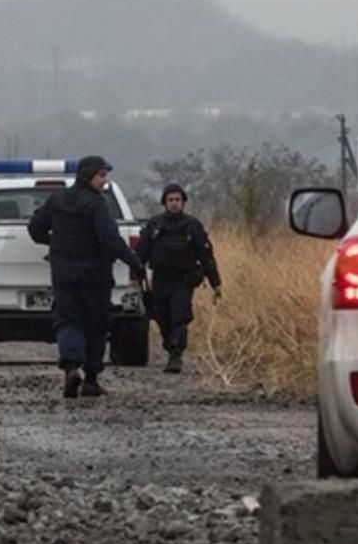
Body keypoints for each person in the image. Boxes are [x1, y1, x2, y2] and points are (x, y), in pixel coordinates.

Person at [28, 155, 144, 399]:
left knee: (67, 321)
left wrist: (53, 242)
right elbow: (110, 238)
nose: (105, 181)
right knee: (96, 325)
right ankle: (91, 379)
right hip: (95, 275)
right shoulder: (97, 204)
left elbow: (35, 227)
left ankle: (71, 367)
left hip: (63, 272)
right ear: (88, 175)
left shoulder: (57, 200)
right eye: (102, 175)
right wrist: (135, 262)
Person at [137, 182, 222, 374]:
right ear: (164, 203)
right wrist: (136, 272)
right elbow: (142, 251)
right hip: (160, 279)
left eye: (178, 200)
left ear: (183, 202)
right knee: (161, 316)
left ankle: (176, 355)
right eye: (170, 200)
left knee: (179, 317)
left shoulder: (192, 226)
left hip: (184, 280)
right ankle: (169, 344)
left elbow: (206, 255)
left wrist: (216, 282)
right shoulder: (155, 225)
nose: (174, 203)